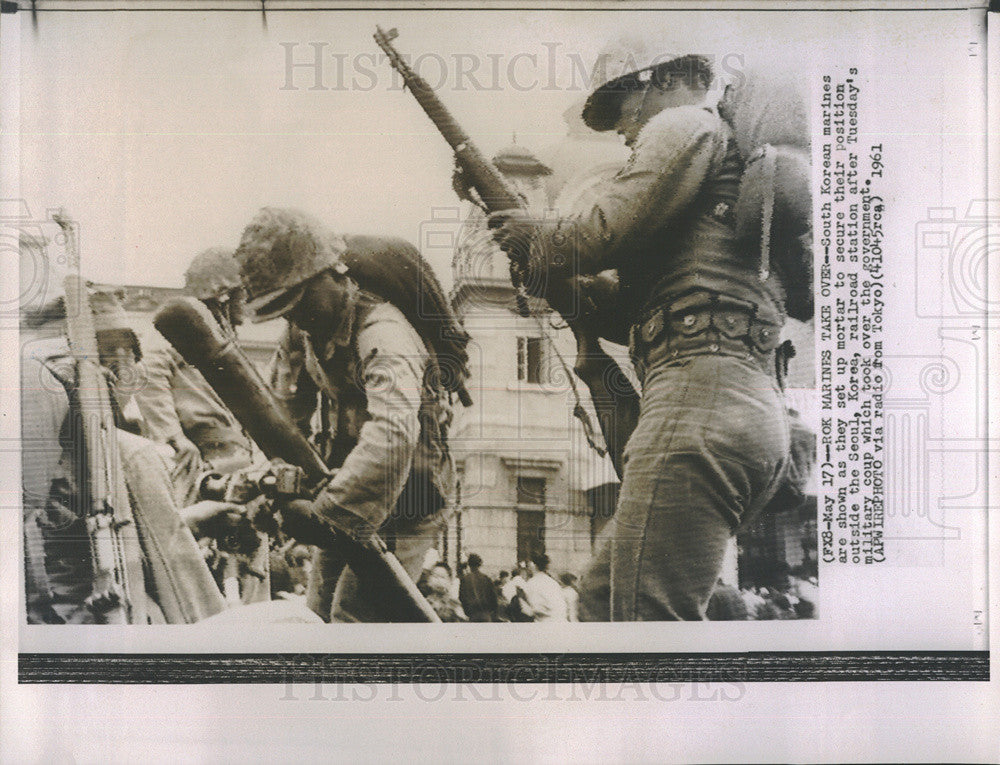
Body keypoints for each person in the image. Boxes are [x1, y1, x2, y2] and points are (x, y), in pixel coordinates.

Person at [489, 40, 792, 621]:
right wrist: (512, 224)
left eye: (624, 107)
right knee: (615, 606)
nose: (625, 133)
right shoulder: (716, 166)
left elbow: (596, 232)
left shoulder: (684, 123)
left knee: (631, 615)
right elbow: (620, 312)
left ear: (656, 82)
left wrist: (532, 233)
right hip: (728, 400)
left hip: (698, 398)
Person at [234, 207, 460, 622]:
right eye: (284, 309)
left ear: (333, 275)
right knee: (316, 615)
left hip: (410, 495)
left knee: (355, 620)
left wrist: (325, 516)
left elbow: (393, 434)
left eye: (299, 302)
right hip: (347, 487)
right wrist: (276, 481)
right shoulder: (304, 328)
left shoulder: (384, 333)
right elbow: (283, 412)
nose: (294, 317)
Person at [21, 288, 229, 624]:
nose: (123, 372)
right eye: (112, 358)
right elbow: (185, 592)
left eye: (128, 355)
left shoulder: (56, 455)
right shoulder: (131, 455)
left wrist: (190, 519)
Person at [135, 247, 256, 502]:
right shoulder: (178, 330)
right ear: (224, 295)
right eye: (241, 293)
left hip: (232, 457)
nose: (246, 301)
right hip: (202, 459)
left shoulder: (221, 335)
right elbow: (148, 372)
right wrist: (173, 436)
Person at [517, 554, 568, 622]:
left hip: (545, 623)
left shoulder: (532, 583)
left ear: (533, 565)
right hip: (561, 621)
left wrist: (520, 598)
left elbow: (532, 611)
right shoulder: (552, 582)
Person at [458, 553, 499, 622]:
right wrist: (492, 611)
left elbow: (462, 597)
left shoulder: (465, 579)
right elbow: (493, 597)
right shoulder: (486, 578)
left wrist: (466, 611)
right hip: (486, 613)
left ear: (469, 564)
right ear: (480, 564)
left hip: (472, 614)